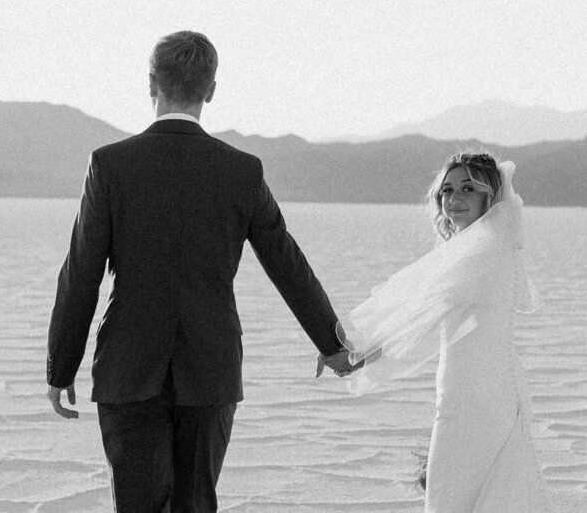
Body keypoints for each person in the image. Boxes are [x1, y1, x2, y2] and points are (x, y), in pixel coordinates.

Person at [46, 30, 358, 512]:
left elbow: (81, 273)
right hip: (210, 368)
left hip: (129, 367)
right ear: (210, 89)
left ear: (151, 83)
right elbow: (287, 263)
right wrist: (332, 343)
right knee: (196, 505)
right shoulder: (241, 170)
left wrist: (61, 365)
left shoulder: (110, 165)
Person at [336, 152, 552, 512]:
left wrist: (358, 358)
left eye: (468, 188)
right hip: (470, 388)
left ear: (489, 195)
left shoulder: (487, 250)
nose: (454, 198)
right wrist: (359, 355)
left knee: (454, 495)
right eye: (447, 190)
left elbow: (420, 316)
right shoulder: (480, 246)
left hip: (481, 396)